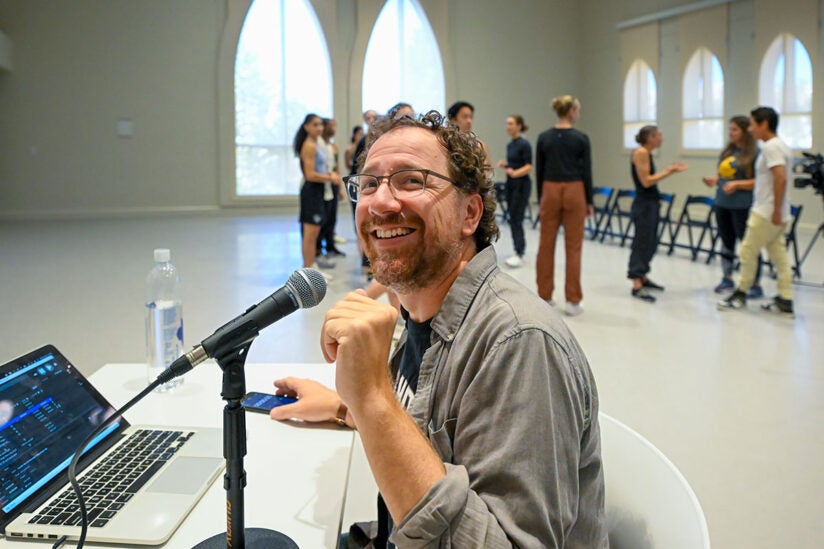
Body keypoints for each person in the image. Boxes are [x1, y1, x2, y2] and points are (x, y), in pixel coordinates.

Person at [271, 111, 607, 547]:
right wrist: (345, 406)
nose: (380, 202)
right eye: (368, 184)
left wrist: (372, 396)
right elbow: (423, 426)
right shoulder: (421, 314)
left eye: (412, 181)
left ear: (469, 213)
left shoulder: (519, 342)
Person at [718, 106, 795, 316]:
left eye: (752, 124)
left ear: (764, 124)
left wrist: (776, 209)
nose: (750, 129)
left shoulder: (771, 147)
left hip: (766, 211)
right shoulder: (781, 146)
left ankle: (741, 293)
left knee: (746, 252)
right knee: (779, 256)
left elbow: (781, 177)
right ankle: (785, 298)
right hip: (775, 211)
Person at [534, 96, 594, 316]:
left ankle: (544, 296)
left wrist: (541, 197)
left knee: (546, 244)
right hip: (575, 190)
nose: (578, 113)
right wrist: (589, 201)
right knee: (574, 246)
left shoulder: (543, 138)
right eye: (577, 110)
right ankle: (573, 300)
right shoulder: (581, 139)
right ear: (570, 111)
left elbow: (539, 171)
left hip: (549, 189)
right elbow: (587, 171)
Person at [701, 116, 763, 297]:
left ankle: (754, 282)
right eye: (730, 129)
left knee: (748, 245)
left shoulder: (755, 153)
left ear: (745, 131)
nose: (731, 133)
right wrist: (715, 180)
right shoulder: (728, 151)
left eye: (735, 129)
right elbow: (725, 175)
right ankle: (727, 277)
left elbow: (760, 181)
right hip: (722, 203)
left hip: (742, 205)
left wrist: (738, 185)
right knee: (727, 242)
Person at [627, 125, 688, 302]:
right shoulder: (641, 153)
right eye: (659, 135)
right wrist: (670, 171)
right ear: (650, 137)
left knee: (651, 241)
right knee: (642, 241)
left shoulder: (646, 153)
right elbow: (646, 181)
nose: (662, 138)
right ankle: (637, 281)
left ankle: (643, 275)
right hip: (644, 204)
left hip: (650, 203)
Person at [293, 113, 341, 281]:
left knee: (315, 231)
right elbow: (310, 174)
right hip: (312, 191)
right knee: (310, 232)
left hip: (320, 191)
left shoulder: (318, 144)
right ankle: (307, 269)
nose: (319, 128)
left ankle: (312, 266)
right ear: (306, 127)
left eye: (321, 124)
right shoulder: (309, 146)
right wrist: (330, 177)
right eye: (315, 125)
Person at [496, 115, 533, 268]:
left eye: (511, 124)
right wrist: (506, 165)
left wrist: (515, 173)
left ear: (519, 126)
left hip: (522, 185)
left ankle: (519, 252)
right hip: (511, 184)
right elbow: (514, 165)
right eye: (507, 124)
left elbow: (528, 166)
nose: (508, 127)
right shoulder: (510, 145)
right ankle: (517, 249)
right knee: (512, 218)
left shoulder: (525, 144)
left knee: (516, 219)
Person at [318, 118, 347, 258]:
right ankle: (317, 249)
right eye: (331, 126)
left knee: (331, 218)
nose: (333, 129)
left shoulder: (333, 147)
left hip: (333, 185)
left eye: (335, 126)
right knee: (320, 219)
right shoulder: (317, 145)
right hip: (320, 186)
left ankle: (330, 246)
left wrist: (340, 188)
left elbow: (337, 168)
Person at [447, 100, 492, 174]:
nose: (469, 121)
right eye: (465, 117)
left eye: (471, 117)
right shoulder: (446, 143)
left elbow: (487, 169)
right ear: (453, 120)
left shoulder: (479, 145)